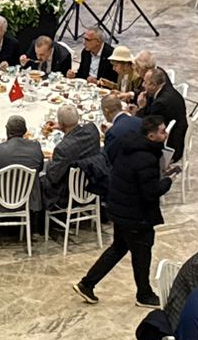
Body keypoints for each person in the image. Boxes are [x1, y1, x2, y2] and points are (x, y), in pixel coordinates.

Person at [74, 112, 173, 307]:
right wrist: (168, 181)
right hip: (136, 215)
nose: (166, 134)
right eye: (162, 132)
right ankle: (144, 295)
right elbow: (150, 192)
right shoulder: (146, 158)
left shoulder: (129, 146)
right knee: (142, 253)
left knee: (118, 248)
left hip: (121, 208)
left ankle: (87, 284)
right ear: (151, 136)